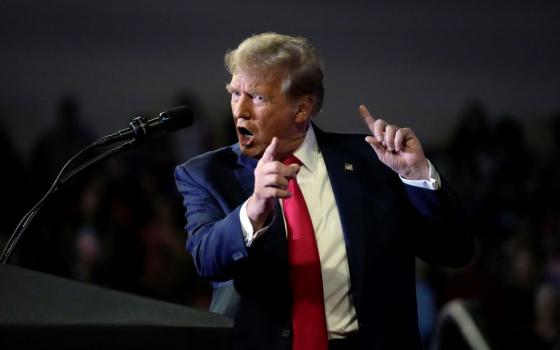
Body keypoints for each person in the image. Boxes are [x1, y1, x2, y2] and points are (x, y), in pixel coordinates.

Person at [175, 32, 474, 350]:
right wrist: (254, 208)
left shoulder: (374, 161)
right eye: (235, 94)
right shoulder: (205, 173)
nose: (240, 110)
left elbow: (453, 251)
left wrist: (417, 176)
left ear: (302, 109)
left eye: (258, 97)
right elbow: (207, 260)